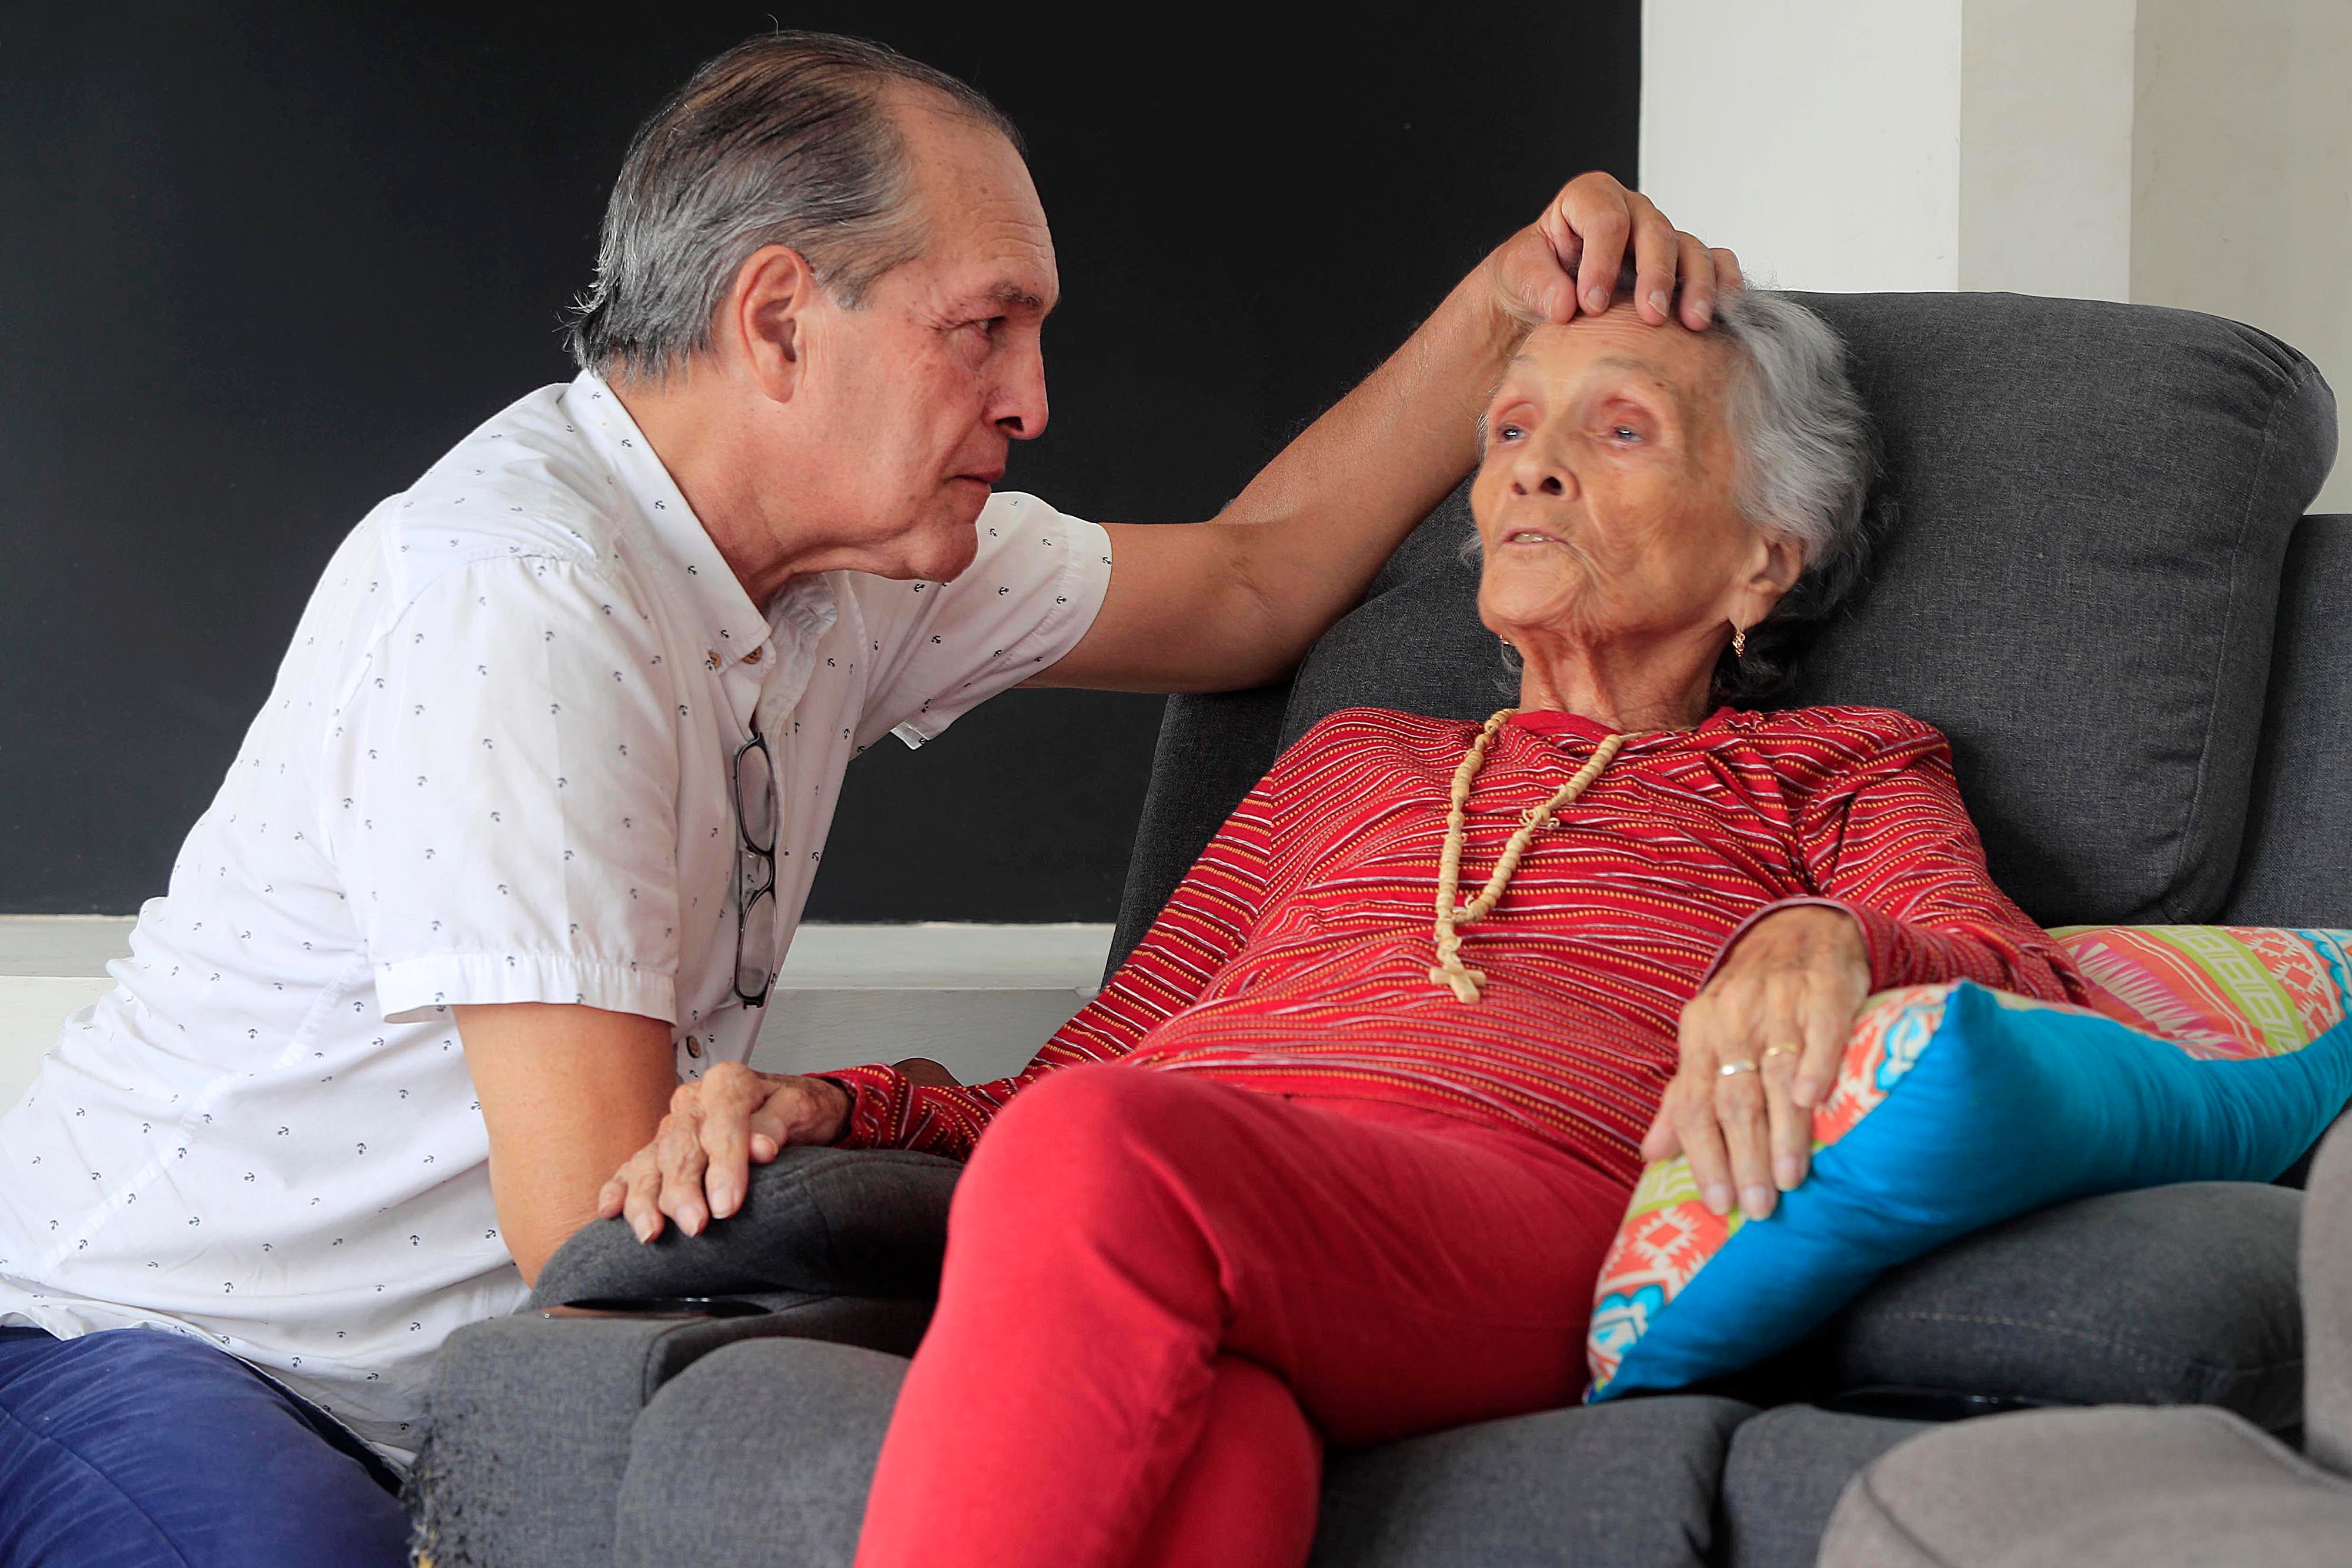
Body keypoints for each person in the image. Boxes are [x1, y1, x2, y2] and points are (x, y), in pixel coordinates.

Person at [0, 28, 1739, 1568]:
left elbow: (1252, 586)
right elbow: (598, 1221)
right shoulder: (521, 590)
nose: (1034, 399)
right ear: (776, 320)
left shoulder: (866, 567)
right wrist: (911, 1116)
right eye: (983, 330)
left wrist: (1519, 292)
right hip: (149, 1347)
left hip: (428, 1390)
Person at [610, 283, 2093, 1568]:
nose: (1534, 472)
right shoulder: (1348, 762)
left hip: (1510, 1200)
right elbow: (1075, 1076)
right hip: (1203, 1201)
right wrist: (835, 1101)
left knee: (1103, 1156)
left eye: (1618, 430)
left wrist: (1817, 936)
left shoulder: (1825, 766)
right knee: (1222, 1444)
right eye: (1508, 429)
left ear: (1765, 552)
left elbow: (2025, 985)